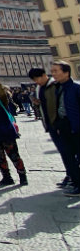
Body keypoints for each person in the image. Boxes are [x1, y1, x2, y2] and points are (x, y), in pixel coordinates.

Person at [49, 62, 80, 198]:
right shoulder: (58, 88)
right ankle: (77, 184)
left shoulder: (76, 88)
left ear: (66, 72)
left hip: (76, 127)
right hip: (64, 127)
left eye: (56, 71)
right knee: (69, 158)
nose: (53, 74)